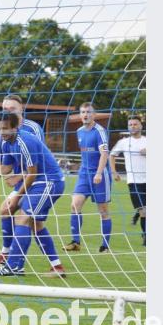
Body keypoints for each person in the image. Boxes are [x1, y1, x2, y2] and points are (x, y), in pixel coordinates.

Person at [0, 112, 67, 278]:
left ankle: (14, 265)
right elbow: (5, 168)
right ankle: (57, 267)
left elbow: (32, 173)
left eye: (5, 128)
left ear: (16, 127)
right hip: (37, 183)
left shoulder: (24, 141)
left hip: (49, 182)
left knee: (22, 218)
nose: (2, 132)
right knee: (30, 222)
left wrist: (16, 196)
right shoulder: (6, 142)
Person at [0, 95, 46, 270]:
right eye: (5, 108)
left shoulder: (33, 129)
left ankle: (13, 260)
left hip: (37, 180)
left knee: (28, 220)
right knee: (12, 213)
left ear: (22, 109)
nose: (7, 111)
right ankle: (10, 255)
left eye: (11, 108)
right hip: (22, 180)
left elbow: (38, 162)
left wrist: (19, 176)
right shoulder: (0, 132)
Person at [64, 102, 113, 253]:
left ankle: (105, 245)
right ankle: (75, 242)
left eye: (88, 112)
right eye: (83, 112)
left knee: (103, 210)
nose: (85, 115)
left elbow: (104, 153)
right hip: (84, 174)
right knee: (74, 205)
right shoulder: (79, 131)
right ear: (80, 114)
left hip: (100, 175)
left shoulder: (100, 131)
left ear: (94, 114)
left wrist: (98, 173)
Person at [110, 115, 146, 246]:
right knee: (144, 210)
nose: (133, 126)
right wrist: (114, 172)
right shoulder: (123, 142)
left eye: (135, 124)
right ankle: (146, 236)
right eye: (130, 125)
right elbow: (112, 155)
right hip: (134, 181)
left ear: (141, 126)